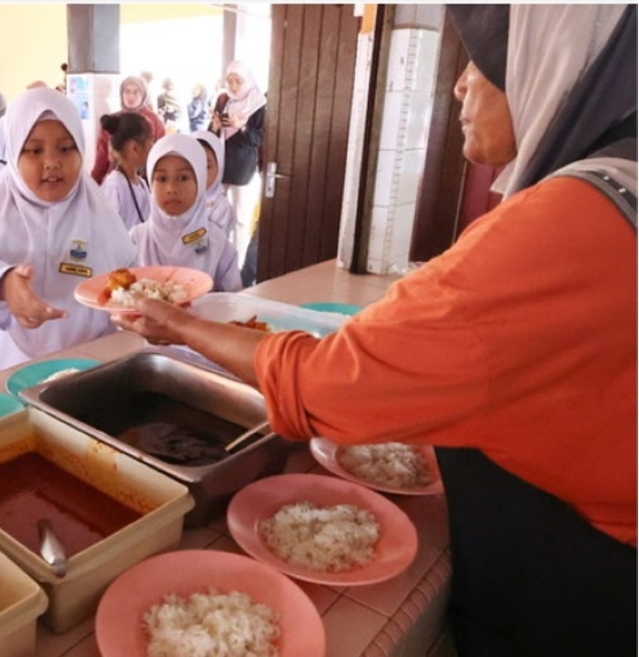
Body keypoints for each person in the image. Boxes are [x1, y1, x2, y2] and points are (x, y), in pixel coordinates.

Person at [113, 5, 636, 656]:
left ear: (545, 68)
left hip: (595, 581)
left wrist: (178, 323)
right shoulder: (623, 174)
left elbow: (325, 386)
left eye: (482, 62)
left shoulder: (561, 229)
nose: (460, 84)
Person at [0, 87, 137, 377]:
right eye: (34, 150)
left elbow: (129, 280)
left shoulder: (102, 216)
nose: (52, 162)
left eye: (66, 148)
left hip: (90, 366)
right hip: (10, 366)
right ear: (14, 153)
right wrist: (3, 283)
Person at [130, 133, 241, 293]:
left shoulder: (217, 244)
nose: (171, 189)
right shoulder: (136, 241)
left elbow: (233, 302)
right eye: (161, 179)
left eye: (183, 177)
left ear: (200, 181)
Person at [210, 60, 267, 268]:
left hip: (243, 168)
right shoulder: (223, 100)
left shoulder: (258, 103)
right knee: (218, 214)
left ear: (248, 80)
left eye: (238, 81)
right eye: (230, 81)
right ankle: (220, 259)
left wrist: (241, 127)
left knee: (241, 219)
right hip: (221, 164)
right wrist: (215, 126)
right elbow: (212, 134)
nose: (233, 86)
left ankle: (239, 263)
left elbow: (258, 139)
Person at [90, 76, 167, 186]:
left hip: (148, 181)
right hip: (118, 180)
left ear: (143, 95)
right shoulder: (113, 120)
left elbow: (162, 152)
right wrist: (94, 184)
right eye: (127, 91)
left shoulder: (154, 120)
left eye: (136, 92)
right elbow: (102, 157)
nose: (131, 96)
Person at [99, 112, 153, 231]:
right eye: (150, 142)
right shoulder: (114, 186)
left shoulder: (142, 184)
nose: (152, 147)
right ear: (135, 148)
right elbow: (108, 231)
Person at [192, 130, 236, 242]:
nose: (199, 172)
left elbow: (207, 243)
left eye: (207, 166)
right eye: (192, 164)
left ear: (219, 167)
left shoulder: (221, 207)